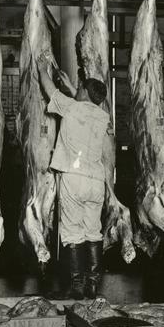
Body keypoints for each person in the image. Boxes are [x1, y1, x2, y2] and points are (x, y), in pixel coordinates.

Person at [36, 50, 110, 299]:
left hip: (73, 178)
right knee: (93, 232)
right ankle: (92, 285)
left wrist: (42, 68)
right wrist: (72, 87)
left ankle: (78, 287)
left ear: (85, 94)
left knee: (72, 234)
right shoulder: (102, 116)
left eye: (80, 89)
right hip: (96, 182)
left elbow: (48, 89)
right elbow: (80, 105)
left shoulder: (71, 107)